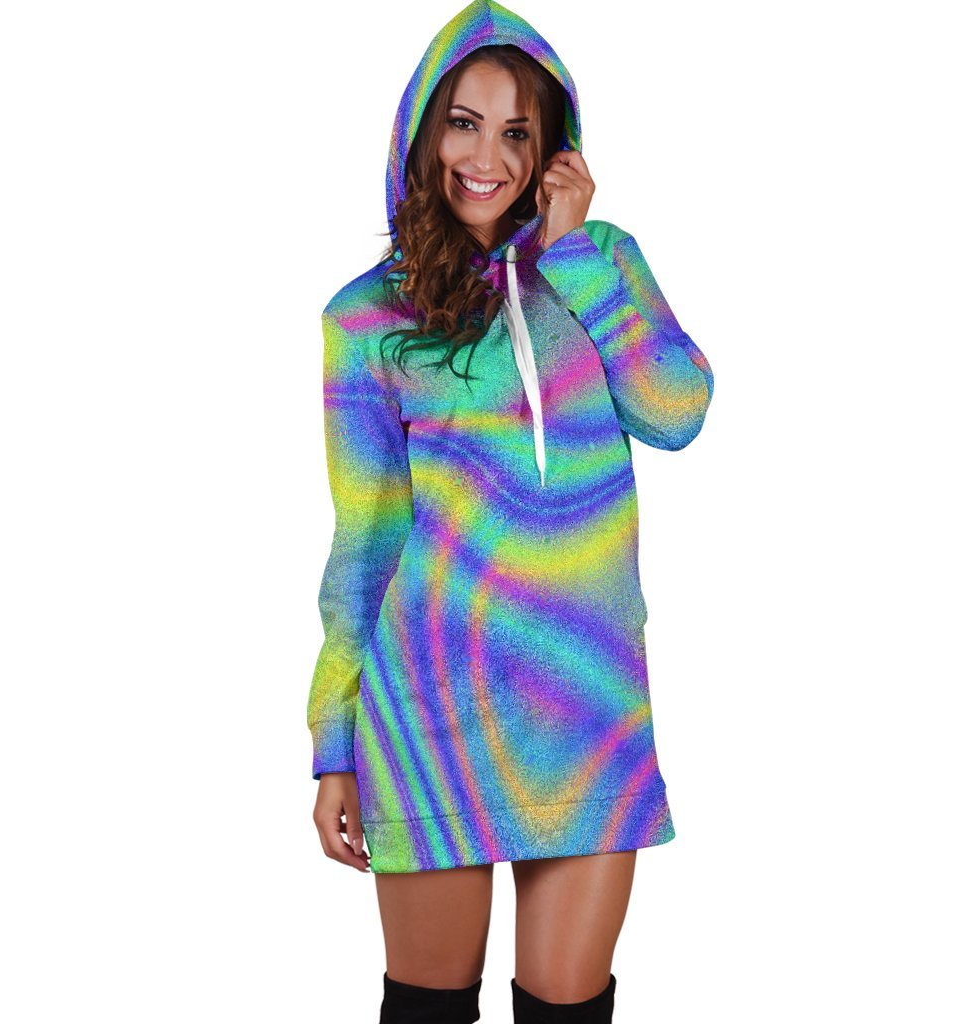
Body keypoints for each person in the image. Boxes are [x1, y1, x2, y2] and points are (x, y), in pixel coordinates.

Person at [307, 1, 715, 1020]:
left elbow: (675, 412)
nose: (485, 156)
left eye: (515, 132)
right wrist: (333, 741)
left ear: (550, 152)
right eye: (463, 122)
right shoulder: (365, 318)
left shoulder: (600, 261)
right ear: (422, 131)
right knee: (429, 1010)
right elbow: (365, 546)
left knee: (568, 1006)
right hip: (429, 711)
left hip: (587, 710)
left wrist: (570, 255)